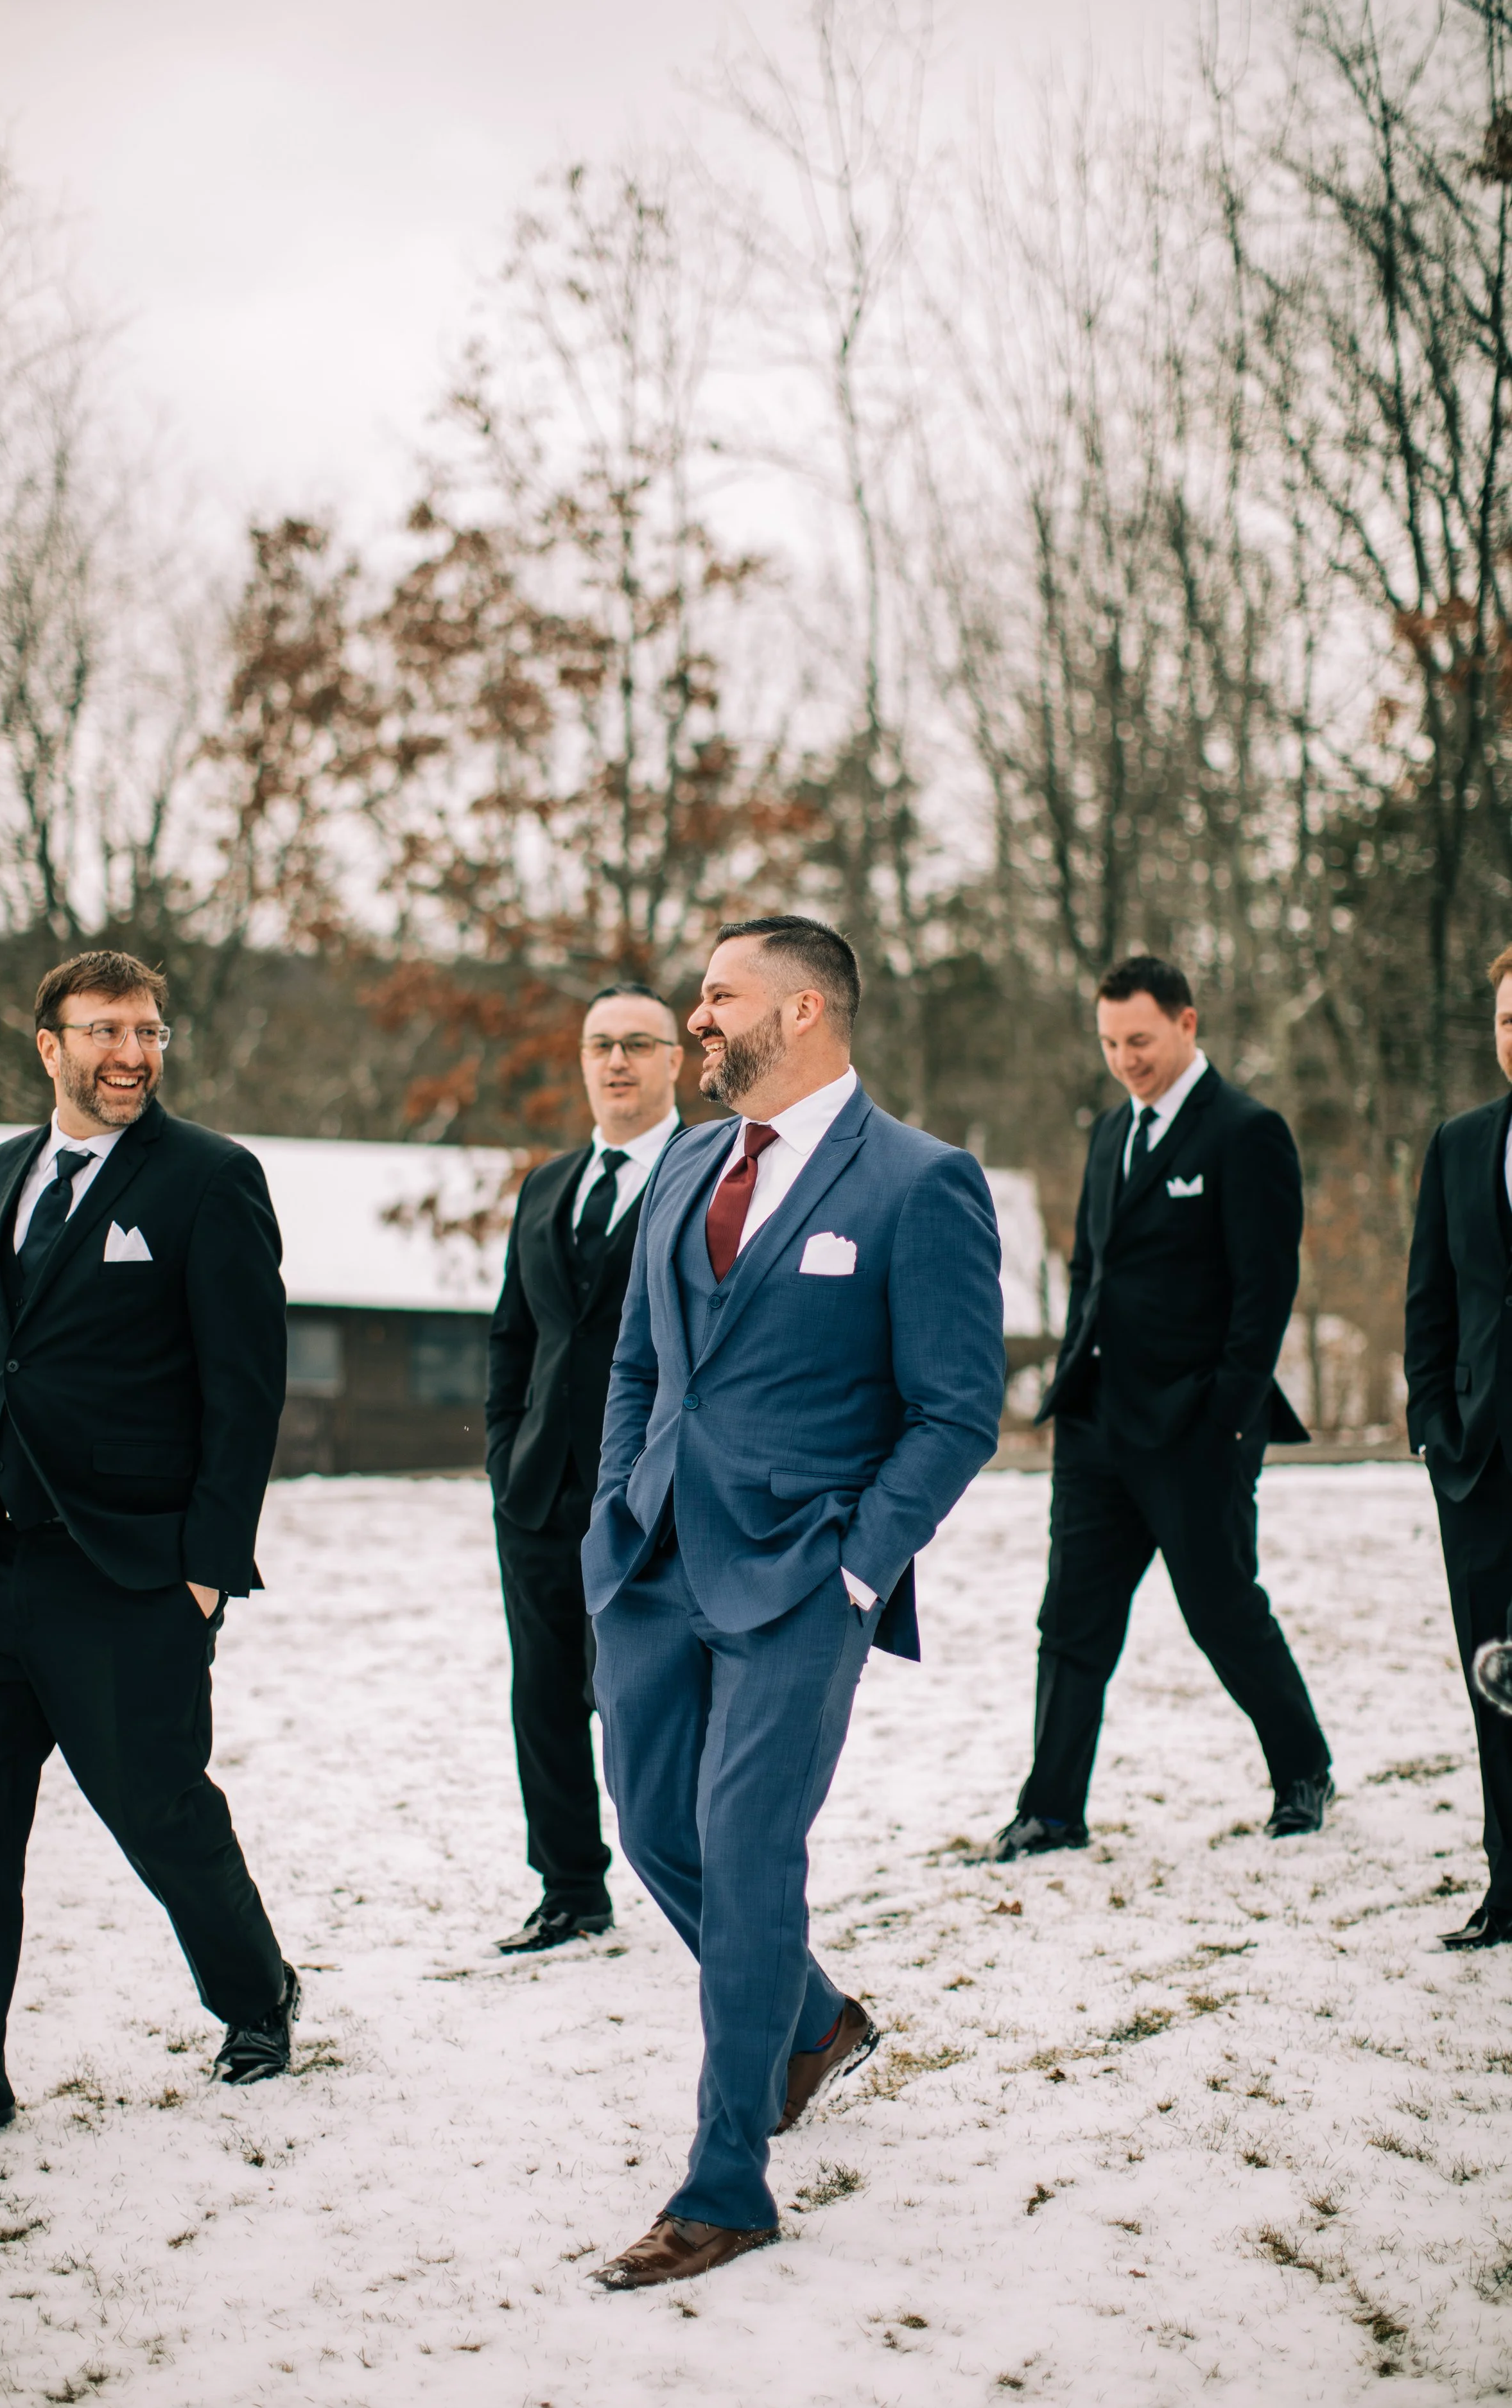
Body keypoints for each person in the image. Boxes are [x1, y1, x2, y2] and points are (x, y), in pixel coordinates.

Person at [581, 915, 1005, 2290]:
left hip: (799, 1580)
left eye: (718, 998)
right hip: (652, 1563)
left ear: (806, 1010)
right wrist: (612, 1510)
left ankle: (727, 2184)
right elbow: (642, 1360)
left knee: (748, 1854)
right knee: (652, 1833)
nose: (693, 1022)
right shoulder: (689, 1158)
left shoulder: (919, 1184)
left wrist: (855, 1567)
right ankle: (812, 2022)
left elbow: (954, 1411)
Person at [0, 950, 297, 2159]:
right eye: (107, 1031)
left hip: (127, 1572)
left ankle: (256, 1996)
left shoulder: (210, 1180)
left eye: (148, 1031)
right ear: (50, 1045)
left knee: (160, 1810)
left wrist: (207, 1564)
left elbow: (247, 1388)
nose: (133, 1052)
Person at [982, 954, 1333, 1865]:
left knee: (1222, 1611)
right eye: (1108, 1043)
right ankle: (1051, 1809)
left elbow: (1266, 1291)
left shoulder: (1248, 1133)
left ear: (1187, 1021)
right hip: (1096, 1426)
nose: (1124, 1058)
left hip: (1195, 1431)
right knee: (1071, 1622)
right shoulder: (1109, 1133)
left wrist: (1227, 1414)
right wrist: (1070, 1382)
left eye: (1139, 1039)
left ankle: (1303, 1770)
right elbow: (1091, 1268)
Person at [485, 982, 683, 1954]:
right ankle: (570, 1887)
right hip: (535, 1490)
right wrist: (501, 1452)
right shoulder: (547, 1185)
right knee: (544, 1692)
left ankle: (691, 1873)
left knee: (646, 1696)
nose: (617, 1062)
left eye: (638, 1044)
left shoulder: (712, 1171)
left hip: (654, 1495)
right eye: (601, 1044)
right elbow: (512, 1336)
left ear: (677, 1059)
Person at [1404, 943, 1512, 1949]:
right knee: (1495, 1682)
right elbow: (1430, 1301)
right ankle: (1509, 1883)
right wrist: (1435, 1429)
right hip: (1481, 1467)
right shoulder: (1463, 1141)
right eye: (1509, 1019)